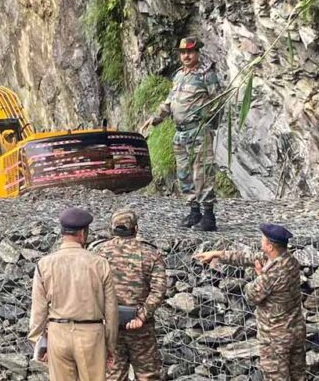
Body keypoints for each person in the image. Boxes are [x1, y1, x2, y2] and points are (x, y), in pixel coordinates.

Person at [194, 224, 306, 381]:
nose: (260, 242)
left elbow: (251, 296)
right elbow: (247, 257)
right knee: (298, 375)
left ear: (270, 246)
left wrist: (259, 276)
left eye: (263, 239)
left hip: (276, 338)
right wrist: (217, 254)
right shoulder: (289, 260)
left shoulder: (271, 273)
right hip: (296, 330)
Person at [141, 37, 221, 231]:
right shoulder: (178, 76)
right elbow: (170, 102)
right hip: (181, 133)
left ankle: (208, 216)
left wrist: (208, 120)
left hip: (198, 132)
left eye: (190, 52)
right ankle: (194, 211)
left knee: (202, 172)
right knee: (184, 173)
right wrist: (155, 119)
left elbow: (218, 101)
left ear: (197, 53)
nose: (186, 56)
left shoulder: (206, 75)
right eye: (183, 52)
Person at [28, 207, 118, 380]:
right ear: (83, 234)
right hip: (91, 335)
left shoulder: (44, 264)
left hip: (57, 334)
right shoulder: (100, 264)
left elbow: (38, 311)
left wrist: (39, 343)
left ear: (63, 232)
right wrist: (110, 346)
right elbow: (111, 311)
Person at [92, 208, 167, 381]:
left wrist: (101, 316)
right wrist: (142, 315)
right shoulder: (150, 253)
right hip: (140, 327)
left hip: (108, 323)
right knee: (147, 375)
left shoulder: (98, 253)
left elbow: (90, 287)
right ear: (136, 228)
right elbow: (159, 290)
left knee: (113, 374)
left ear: (111, 228)